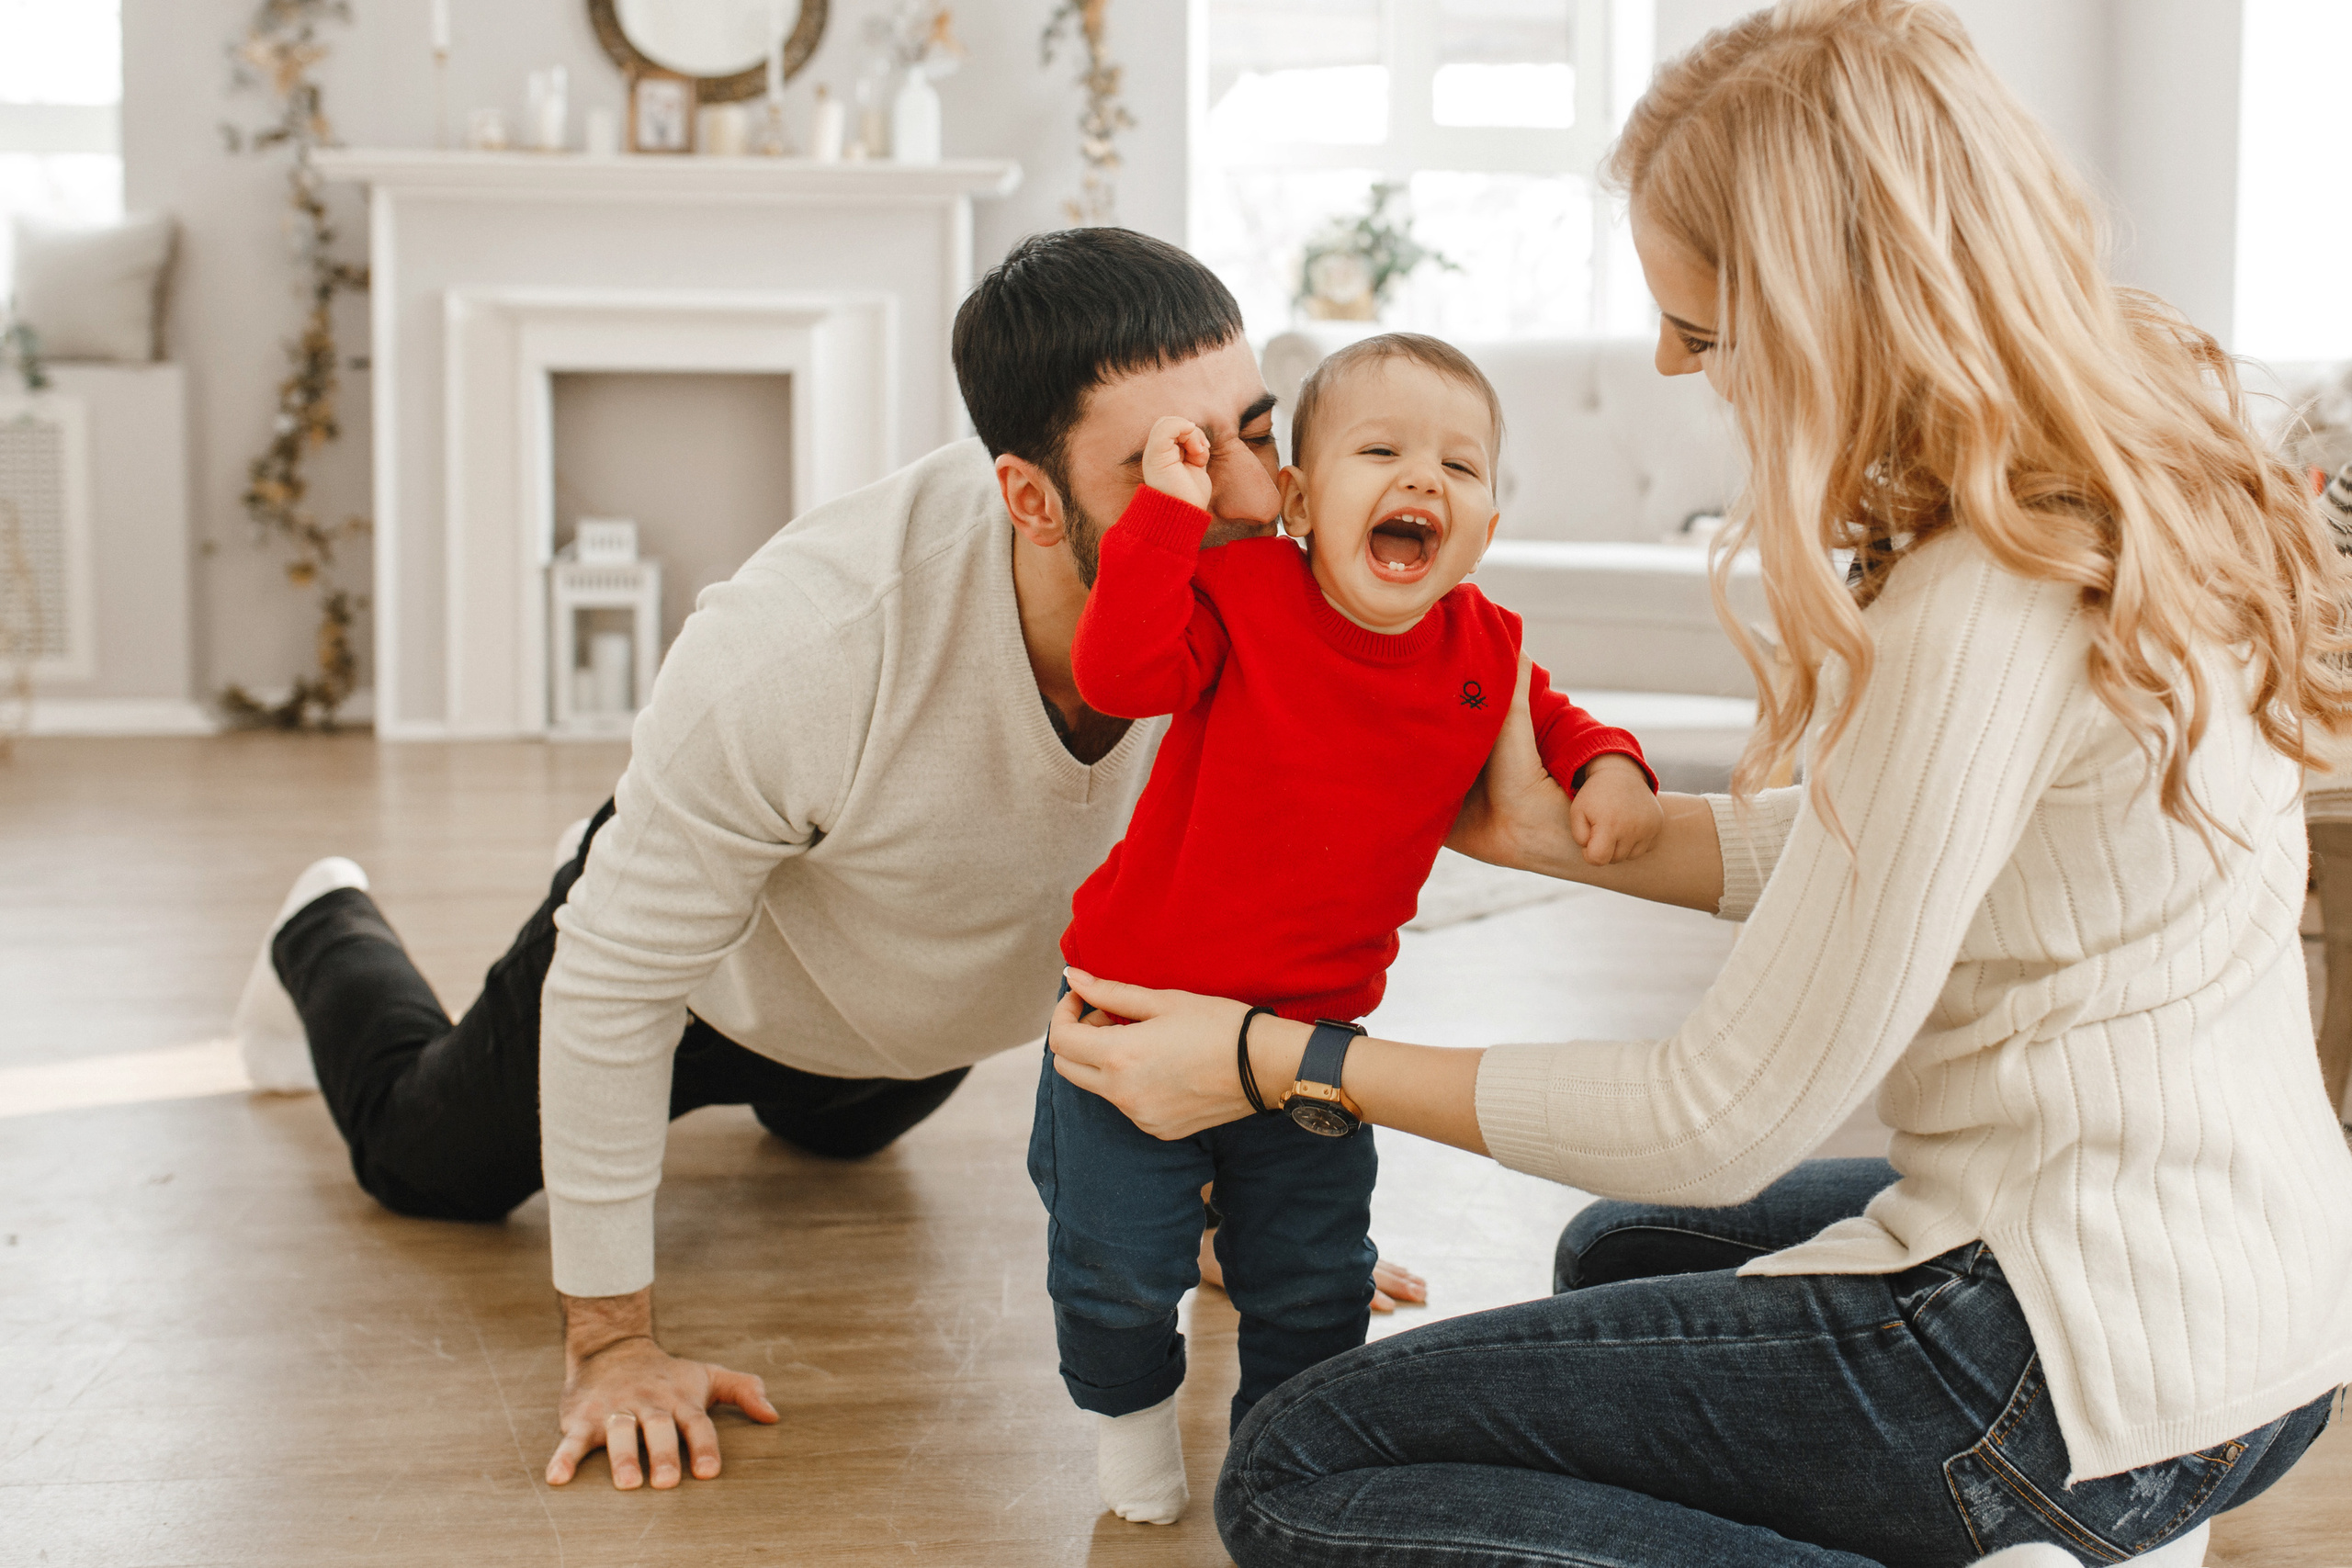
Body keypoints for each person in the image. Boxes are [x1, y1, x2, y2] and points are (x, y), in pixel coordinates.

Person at [1046, 3, 2352, 1563]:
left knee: (1297, 1469)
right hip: (2255, 1308)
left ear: (1829, 312)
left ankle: (2036, 1520)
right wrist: (1592, 837)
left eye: (1705, 327)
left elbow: (1716, 1116)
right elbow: (1942, 837)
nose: (1670, 358)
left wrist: (1281, 1062)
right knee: (1622, 1252)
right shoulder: (2115, 483)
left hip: (2068, 1370)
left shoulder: (1982, 602)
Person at [227, 225, 1425, 1495]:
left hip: (911, 1014)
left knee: (839, 1143)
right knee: (424, 1167)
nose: (1243, 500)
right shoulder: (804, 651)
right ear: (1029, 498)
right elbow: (614, 988)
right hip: (710, 983)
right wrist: (614, 1342)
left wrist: (1203, 1191)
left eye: (1252, 431)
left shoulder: (1278, 607)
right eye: (1167, 468)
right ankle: (322, 926)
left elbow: (1239, 905)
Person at [1042, 333, 1657, 1524]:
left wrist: (1611, 770)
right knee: (1120, 1272)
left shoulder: (1485, 646)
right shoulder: (1244, 595)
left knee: (1316, 1283)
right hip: (1129, 1015)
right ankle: (1127, 1424)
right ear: (1302, 501)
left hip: (1310, 1037)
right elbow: (1118, 674)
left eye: (1461, 468)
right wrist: (1167, 519)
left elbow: (1561, 723)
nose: (1424, 480)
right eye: (1382, 451)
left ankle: (1285, 1451)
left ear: (1486, 521)